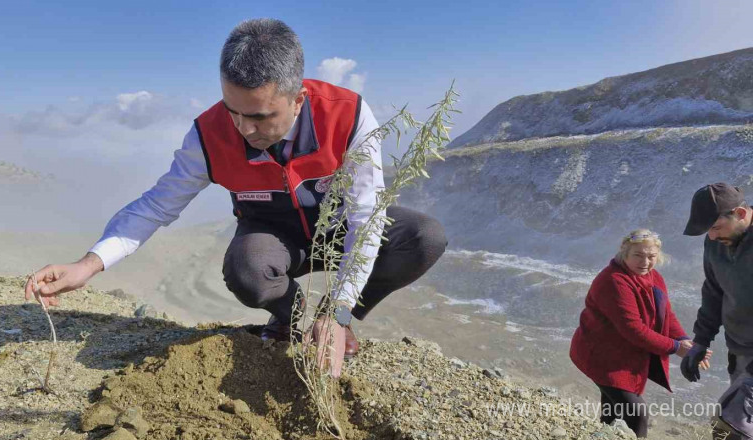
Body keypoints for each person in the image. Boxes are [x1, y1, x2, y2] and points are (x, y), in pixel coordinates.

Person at [24, 18, 447, 378]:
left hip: (337, 228)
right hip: (272, 237)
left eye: (261, 116)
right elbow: (156, 206)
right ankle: (295, 323)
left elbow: (364, 218)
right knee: (247, 270)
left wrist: (337, 311)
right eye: (234, 111)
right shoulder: (207, 134)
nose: (244, 129)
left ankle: (336, 324)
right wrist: (87, 264)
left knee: (424, 238)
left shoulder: (349, 115)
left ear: (298, 99)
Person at [570, 229, 710, 438]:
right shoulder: (614, 281)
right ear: (624, 253)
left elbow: (666, 314)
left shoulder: (654, 277)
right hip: (601, 357)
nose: (645, 262)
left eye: (651, 256)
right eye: (638, 255)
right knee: (637, 415)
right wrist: (676, 348)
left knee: (612, 414)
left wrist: (683, 340)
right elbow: (633, 329)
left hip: (624, 358)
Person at [682, 183, 753, 439]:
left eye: (715, 227)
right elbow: (714, 291)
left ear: (741, 214)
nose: (711, 236)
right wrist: (701, 340)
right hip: (741, 352)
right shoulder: (715, 243)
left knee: (731, 428)